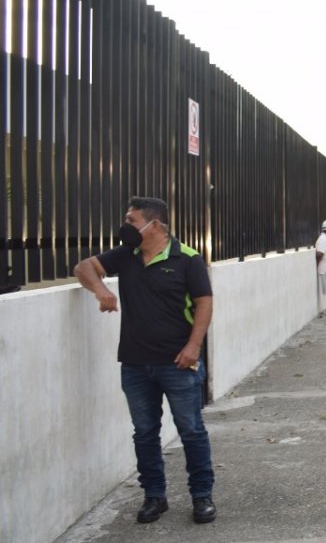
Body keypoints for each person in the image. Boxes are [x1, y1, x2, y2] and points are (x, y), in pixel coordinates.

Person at [73, 196, 218, 524]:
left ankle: (202, 496)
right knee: (144, 433)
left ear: (156, 225)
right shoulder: (127, 256)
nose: (126, 226)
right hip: (136, 364)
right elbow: (84, 268)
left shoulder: (188, 259)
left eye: (132, 220)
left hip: (179, 362)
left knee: (191, 430)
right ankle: (154, 496)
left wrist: (194, 347)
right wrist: (101, 291)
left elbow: (204, 304)